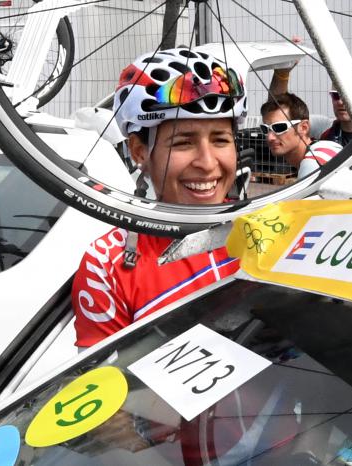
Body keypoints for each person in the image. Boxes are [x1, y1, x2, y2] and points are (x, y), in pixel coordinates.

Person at [71, 48, 247, 349]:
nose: (207, 163)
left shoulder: (270, 230)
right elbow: (101, 376)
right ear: (139, 151)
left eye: (220, 140)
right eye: (183, 143)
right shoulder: (107, 265)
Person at [260, 93, 311, 170]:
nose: (270, 137)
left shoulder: (312, 164)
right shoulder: (312, 157)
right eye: (265, 129)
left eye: (279, 127)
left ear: (304, 128)